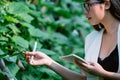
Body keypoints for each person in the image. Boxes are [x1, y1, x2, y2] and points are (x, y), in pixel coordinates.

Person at [24, 0, 120, 80]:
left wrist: (103, 73)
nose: (85, 11)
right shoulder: (92, 39)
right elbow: (84, 79)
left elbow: (101, 74)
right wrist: (48, 61)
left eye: (88, 5)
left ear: (107, 4)